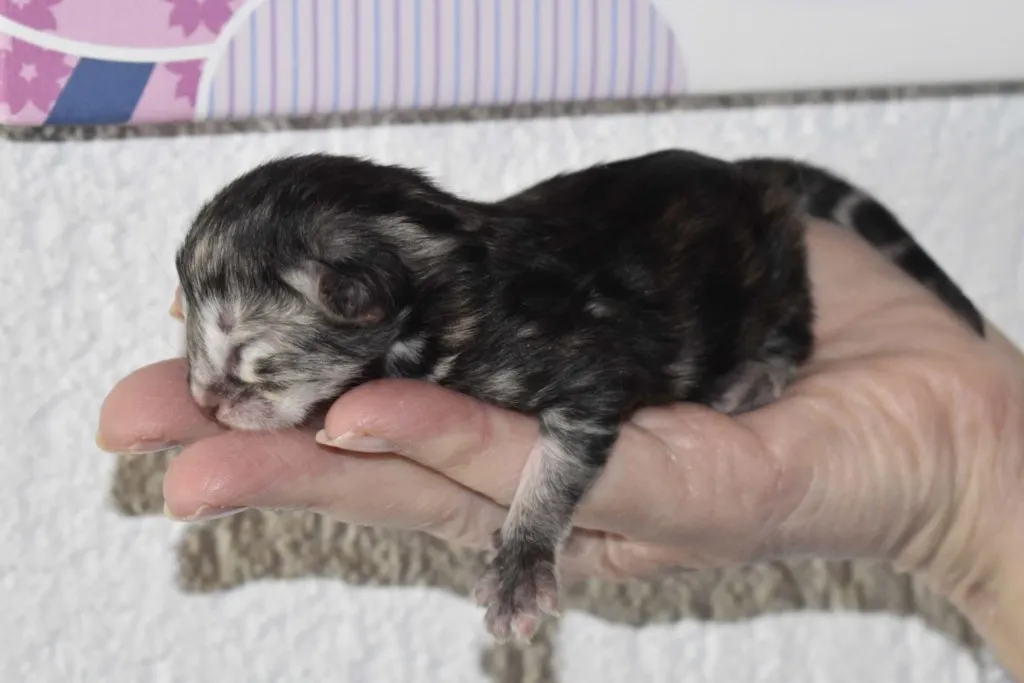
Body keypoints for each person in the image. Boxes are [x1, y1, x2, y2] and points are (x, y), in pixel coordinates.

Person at [97, 217, 1024, 677]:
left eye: (243, 360)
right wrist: (971, 488)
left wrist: (528, 541)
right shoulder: (438, 311)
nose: (208, 393)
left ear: (360, 295)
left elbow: (584, 395)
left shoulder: (502, 327)